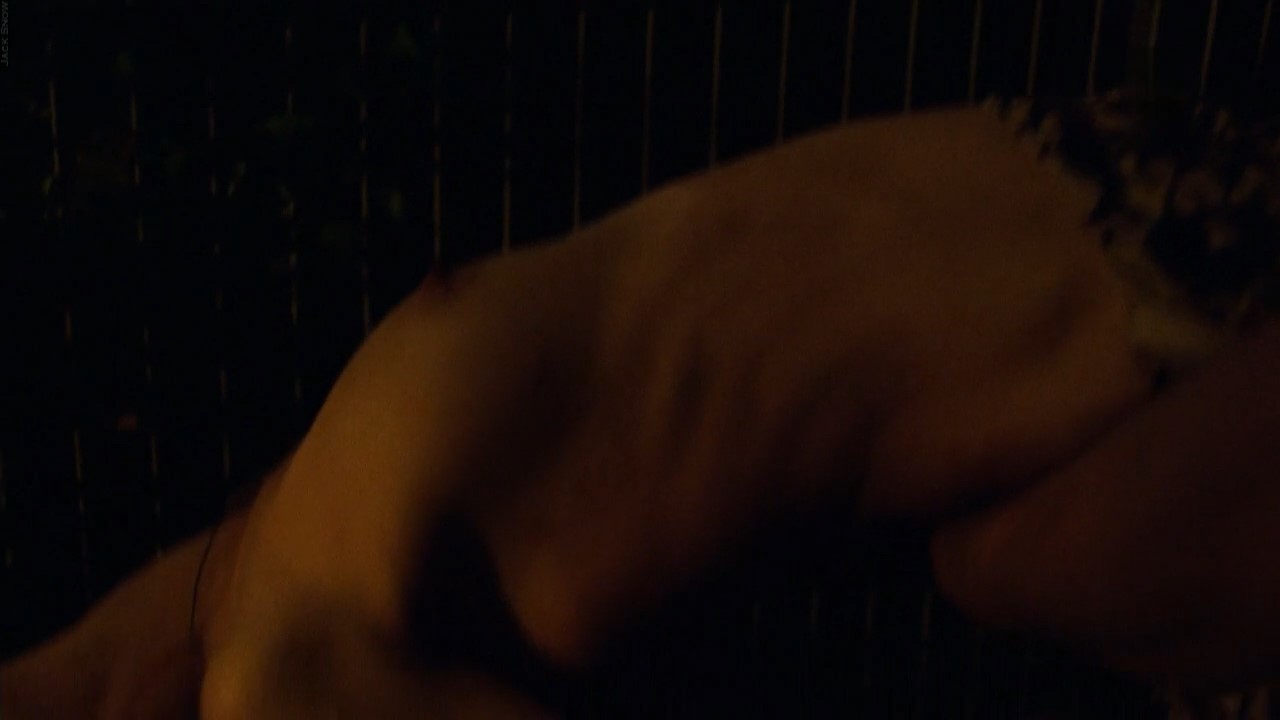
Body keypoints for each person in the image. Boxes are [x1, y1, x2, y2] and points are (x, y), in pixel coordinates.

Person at [1, 102, 1274, 718]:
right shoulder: (280, 674)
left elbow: (105, 662)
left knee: (1016, 569)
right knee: (1011, 569)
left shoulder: (249, 576)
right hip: (1154, 277)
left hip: (1143, 234)